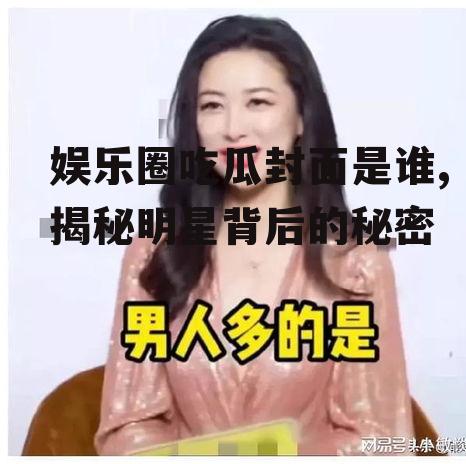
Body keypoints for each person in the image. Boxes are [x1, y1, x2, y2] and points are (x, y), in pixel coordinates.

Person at [94, 15, 415, 456]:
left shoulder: (355, 262)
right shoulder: (156, 252)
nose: (233, 128)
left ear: (301, 117)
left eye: (258, 102)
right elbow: (128, 427)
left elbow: (380, 440)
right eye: (212, 106)